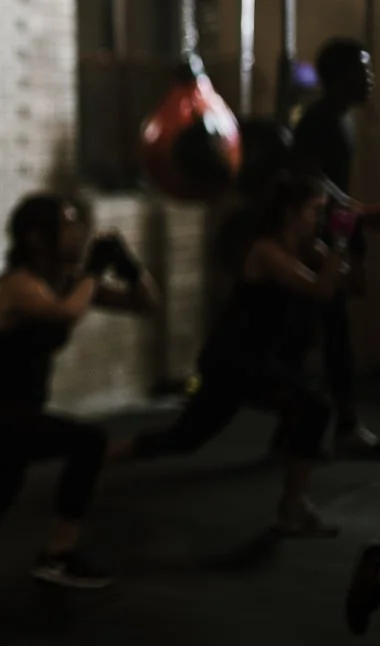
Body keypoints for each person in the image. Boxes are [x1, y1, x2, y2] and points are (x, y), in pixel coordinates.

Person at [115, 173, 345, 538]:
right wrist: (340, 244)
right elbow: (321, 291)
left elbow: (350, 285)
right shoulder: (266, 250)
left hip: (263, 361)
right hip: (234, 359)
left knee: (311, 405)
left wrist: (349, 248)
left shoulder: (309, 249)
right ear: (290, 212)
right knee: (185, 438)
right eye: (314, 210)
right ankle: (101, 456)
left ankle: (293, 505)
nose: (319, 218)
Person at [0, 194, 157, 590]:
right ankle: (57, 556)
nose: (77, 232)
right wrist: (95, 270)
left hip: (17, 414)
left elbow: (146, 304)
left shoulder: (67, 283)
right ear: (36, 237)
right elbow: (65, 312)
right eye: (67, 224)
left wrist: (129, 266)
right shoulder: (19, 285)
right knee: (89, 442)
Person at [290, 37, 376, 455]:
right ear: (342, 77)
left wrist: (355, 240)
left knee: (326, 335)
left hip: (332, 240)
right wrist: (357, 213)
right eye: (364, 70)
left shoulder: (341, 120)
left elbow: (337, 194)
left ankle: (331, 427)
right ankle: (338, 427)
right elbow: (312, 182)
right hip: (311, 244)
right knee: (317, 335)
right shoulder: (318, 120)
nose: (371, 79)